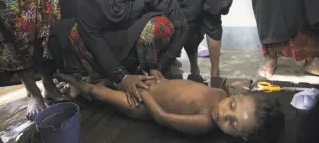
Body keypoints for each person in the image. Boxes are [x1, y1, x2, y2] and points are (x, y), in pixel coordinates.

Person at [48, 0, 190, 106]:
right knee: (72, 32)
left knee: (161, 25)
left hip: (135, 49)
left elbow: (182, 26)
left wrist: (160, 65)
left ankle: (143, 76)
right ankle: (101, 78)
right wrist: (121, 77)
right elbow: (91, 34)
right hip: (101, 49)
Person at [55, 72, 284, 141]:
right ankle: (94, 81)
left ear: (239, 137)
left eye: (232, 124)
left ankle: (72, 82)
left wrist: (145, 96)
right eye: (232, 105)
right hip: (156, 85)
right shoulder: (221, 93)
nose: (224, 113)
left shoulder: (204, 122)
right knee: (118, 77)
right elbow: (187, 87)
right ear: (239, 94)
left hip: (142, 104)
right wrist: (164, 81)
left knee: (98, 93)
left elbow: (162, 117)